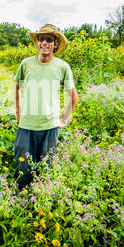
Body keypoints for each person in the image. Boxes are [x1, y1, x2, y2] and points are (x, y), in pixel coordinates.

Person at [13, 23, 78, 189]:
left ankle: (40, 196)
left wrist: (63, 120)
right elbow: (17, 88)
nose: (44, 43)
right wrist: (18, 116)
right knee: (23, 168)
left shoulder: (62, 67)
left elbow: (73, 97)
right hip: (26, 125)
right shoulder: (26, 64)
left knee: (45, 167)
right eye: (41, 39)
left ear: (55, 44)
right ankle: (21, 197)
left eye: (49, 40)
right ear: (37, 42)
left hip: (50, 127)